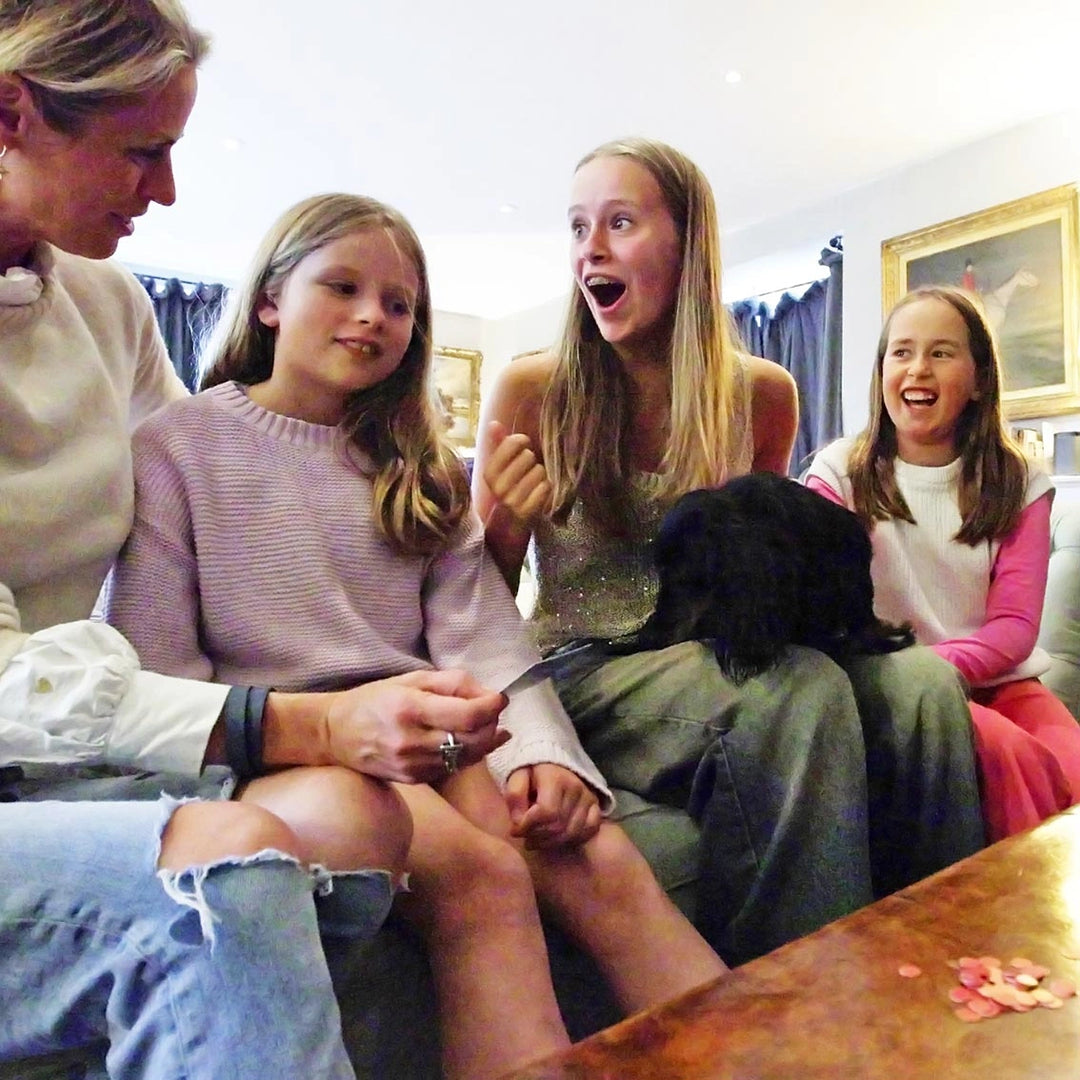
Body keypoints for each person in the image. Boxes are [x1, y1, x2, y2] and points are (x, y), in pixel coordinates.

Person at [106, 192, 728, 1080]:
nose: (373, 317)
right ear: (273, 297)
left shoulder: (422, 467)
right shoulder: (177, 448)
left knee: (597, 854)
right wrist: (303, 738)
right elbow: (157, 670)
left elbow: (482, 635)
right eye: (344, 287)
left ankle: (768, 1054)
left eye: (400, 305)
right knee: (485, 879)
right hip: (279, 748)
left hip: (429, 735)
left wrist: (547, 756)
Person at [0, 4, 510, 1077]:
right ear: (11, 114)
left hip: (56, 777)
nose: (170, 192)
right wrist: (311, 723)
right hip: (24, 750)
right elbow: (15, 691)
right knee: (234, 870)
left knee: (365, 823)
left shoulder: (105, 306)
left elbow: (213, 480)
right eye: (144, 152)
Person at [473, 136, 987, 964]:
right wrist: (502, 526)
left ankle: (947, 973)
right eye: (576, 228)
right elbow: (475, 611)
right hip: (580, 664)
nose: (590, 250)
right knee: (794, 692)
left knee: (924, 683)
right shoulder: (534, 389)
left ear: (688, 247)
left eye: (620, 222)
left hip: (712, 648)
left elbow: (764, 587)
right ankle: (804, 1020)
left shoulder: (759, 394)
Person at [805, 285, 1080, 840]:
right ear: (881, 370)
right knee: (1009, 758)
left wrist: (941, 666)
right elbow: (823, 615)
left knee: (1071, 764)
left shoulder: (1020, 481)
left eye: (941, 352)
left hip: (1000, 681)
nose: (917, 370)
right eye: (901, 352)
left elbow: (1014, 629)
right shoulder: (836, 476)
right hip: (893, 684)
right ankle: (1010, 918)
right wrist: (919, 677)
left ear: (980, 379)